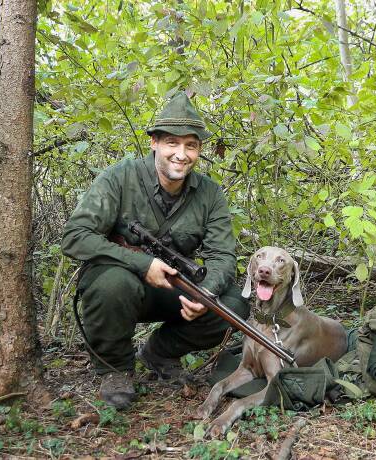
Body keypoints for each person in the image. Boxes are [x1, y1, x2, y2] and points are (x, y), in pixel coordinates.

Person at [61, 92, 249, 409]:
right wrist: (141, 263)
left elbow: (222, 257)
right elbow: (75, 236)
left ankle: (158, 353)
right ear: (155, 143)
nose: (181, 154)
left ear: (199, 150)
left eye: (191, 145)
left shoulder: (210, 193)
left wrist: (204, 293)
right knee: (112, 284)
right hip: (123, 285)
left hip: (172, 289)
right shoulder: (119, 177)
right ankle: (116, 369)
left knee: (233, 303)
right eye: (172, 143)